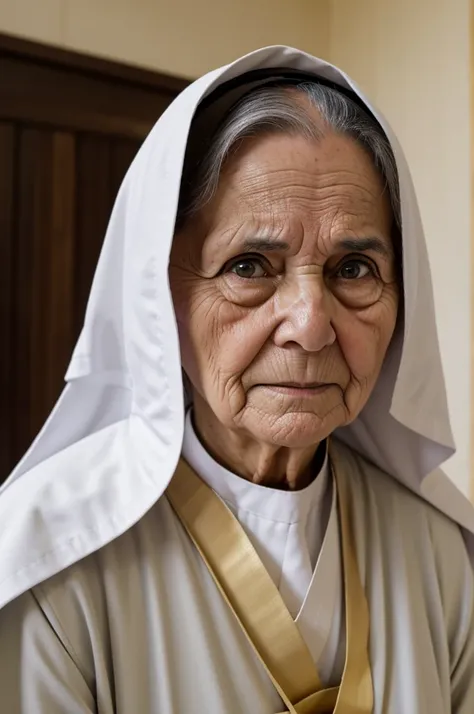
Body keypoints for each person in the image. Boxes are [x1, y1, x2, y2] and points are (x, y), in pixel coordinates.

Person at [0, 45, 473, 714]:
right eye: (250, 266)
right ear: (158, 296)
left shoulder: (438, 553)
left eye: (353, 270)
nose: (310, 326)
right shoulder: (48, 575)